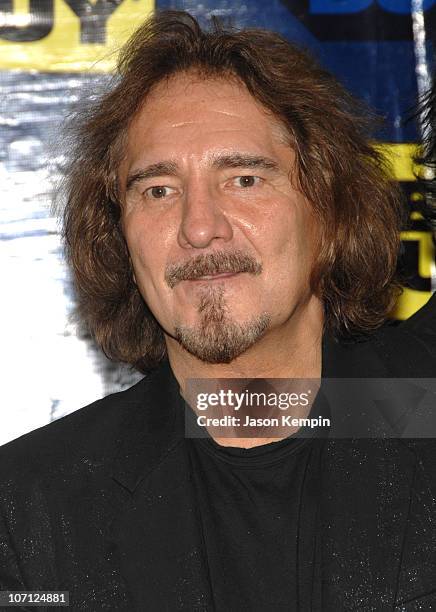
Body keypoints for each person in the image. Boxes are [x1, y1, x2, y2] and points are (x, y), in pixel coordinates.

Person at [0, 10, 435, 611]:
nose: (199, 228)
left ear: (330, 212)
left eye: (245, 179)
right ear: (119, 240)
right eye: (158, 190)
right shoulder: (30, 508)